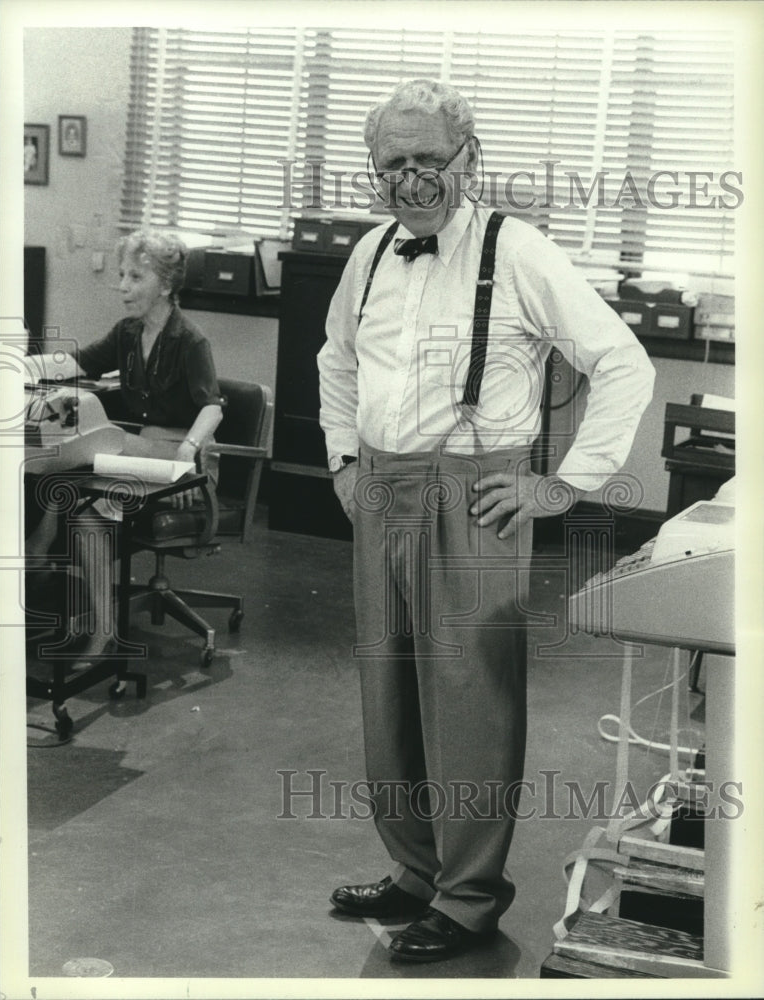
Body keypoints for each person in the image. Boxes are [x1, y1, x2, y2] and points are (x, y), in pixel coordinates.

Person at [317, 79, 656, 963]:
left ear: (470, 159)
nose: (413, 179)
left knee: (467, 701)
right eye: (394, 163)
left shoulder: (521, 251)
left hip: (476, 495)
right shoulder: (368, 256)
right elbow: (336, 358)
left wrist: (564, 485)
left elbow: (622, 361)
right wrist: (343, 461)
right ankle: (414, 870)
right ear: (374, 173)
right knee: (388, 693)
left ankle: (468, 899)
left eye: (431, 159)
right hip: (383, 488)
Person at [25, 229, 224, 665]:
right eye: (121, 275)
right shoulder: (128, 332)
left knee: (91, 443)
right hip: (134, 458)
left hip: (180, 463)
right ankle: (103, 629)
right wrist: (22, 364)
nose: (123, 286)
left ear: (166, 286)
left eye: (136, 277)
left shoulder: (190, 340)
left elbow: (212, 409)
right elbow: (76, 363)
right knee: (86, 511)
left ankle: (41, 548)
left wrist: (189, 448)